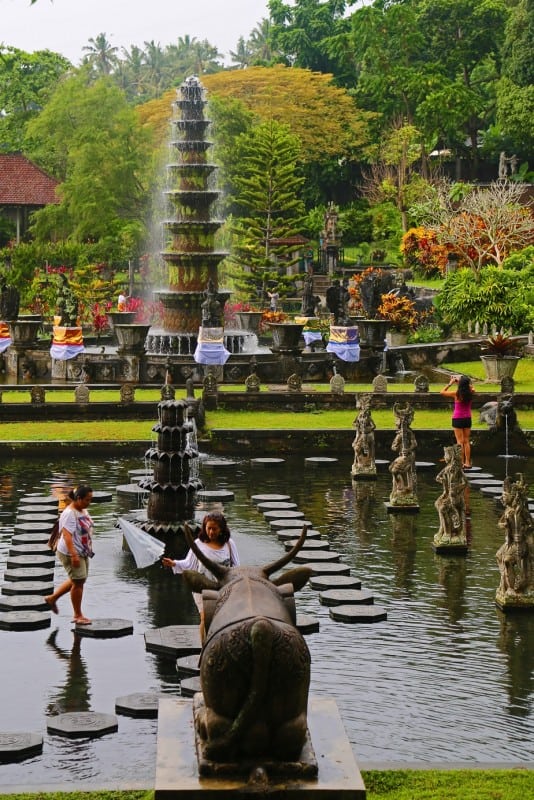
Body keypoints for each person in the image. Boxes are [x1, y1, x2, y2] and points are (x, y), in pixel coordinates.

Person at [162, 512, 239, 640]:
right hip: (202, 587)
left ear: (221, 529)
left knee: (222, 617)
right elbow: (188, 564)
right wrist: (174, 563)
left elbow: (236, 567)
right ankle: (204, 648)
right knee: (205, 616)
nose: (211, 532)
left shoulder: (229, 544)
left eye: (214, 529)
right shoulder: (198, 543)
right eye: (208, 528)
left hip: (223, 587)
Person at [44, 485, 94, 625]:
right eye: (87, 499)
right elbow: (67, 536)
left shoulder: (81, 509)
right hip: (71, 552)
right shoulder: (70, 513)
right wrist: (74, 555)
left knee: (78, 580)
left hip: (82, 551)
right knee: (78, 582)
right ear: (78, 498)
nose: (89, 502)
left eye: (90, 499)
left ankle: (52, 598)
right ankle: (77, 615)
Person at [440, 374, 476, 469]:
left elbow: (442, 392)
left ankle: (461, 463)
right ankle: (467, 463)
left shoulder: (456, 394)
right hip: (467, 418)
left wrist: (450, 383)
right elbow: (472, 387)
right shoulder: (471, 392)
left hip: (457, 419)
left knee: (460, 442)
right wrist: (462, 383)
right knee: (466, 441)